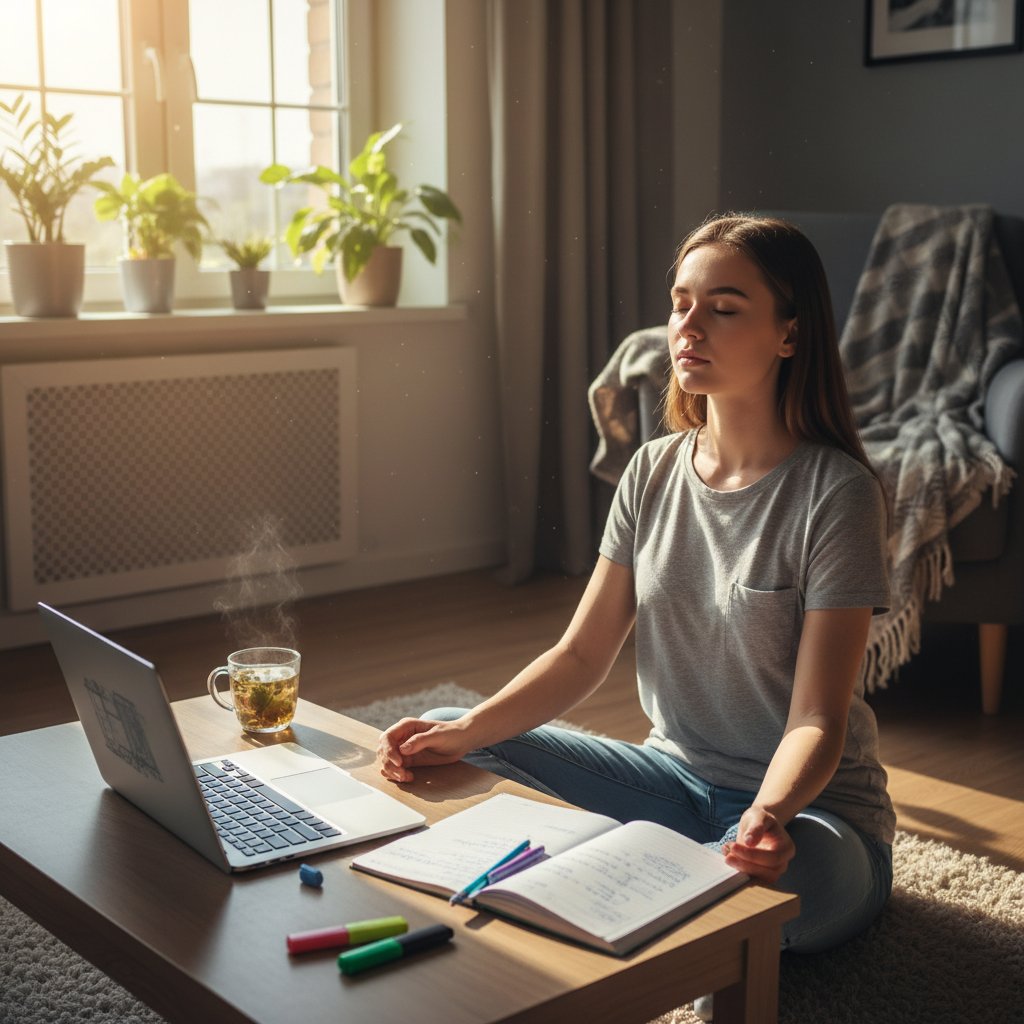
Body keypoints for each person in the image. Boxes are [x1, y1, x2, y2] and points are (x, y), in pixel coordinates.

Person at [376, 214, 895, 962]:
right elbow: (581, 656)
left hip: (811, 817)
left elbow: (817, 717)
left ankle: (674, 883)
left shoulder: (836, 494)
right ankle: (669, 884)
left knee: (791, 894)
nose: (689, 327)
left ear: (790, 333)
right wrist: (465, 733)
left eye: (723, 308)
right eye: (680, 303)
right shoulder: (651, 470)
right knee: (452, 729)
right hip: (674, 784)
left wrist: (767, 815)